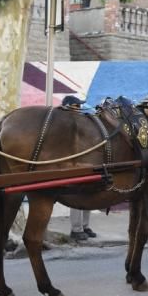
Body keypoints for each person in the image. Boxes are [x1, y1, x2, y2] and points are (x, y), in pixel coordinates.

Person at [61, 95, 98, 242]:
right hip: (72, 164)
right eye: (77, 106)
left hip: (83, 162)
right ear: (70, 106)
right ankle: (76, 229)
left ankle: (84, 226)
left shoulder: (77, 121)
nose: (80, 108)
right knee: (77, 196)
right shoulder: (64, 122)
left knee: (87, 194)